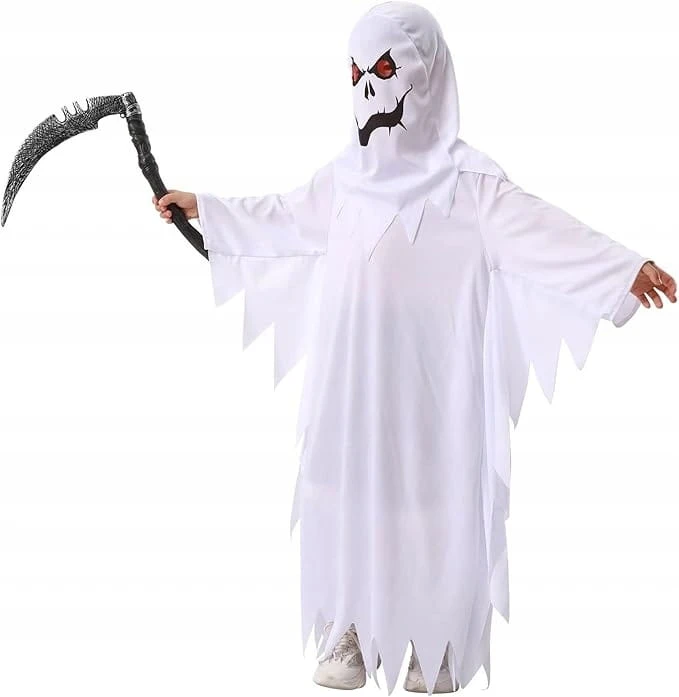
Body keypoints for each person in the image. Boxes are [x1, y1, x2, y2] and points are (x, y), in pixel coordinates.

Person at [152, 2, 675, 693]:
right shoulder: (342, 181)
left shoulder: (471, 187)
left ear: (425, 78)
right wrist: (211, 210)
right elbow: (281, 218)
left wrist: (621, 267)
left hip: (434, 382)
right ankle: (352, 625)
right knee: (346, 488)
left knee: (435, 498)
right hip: (353, 380)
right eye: (355, 74)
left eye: (385, 70)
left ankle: (437, 640)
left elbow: (547, 232)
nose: (368, 88)